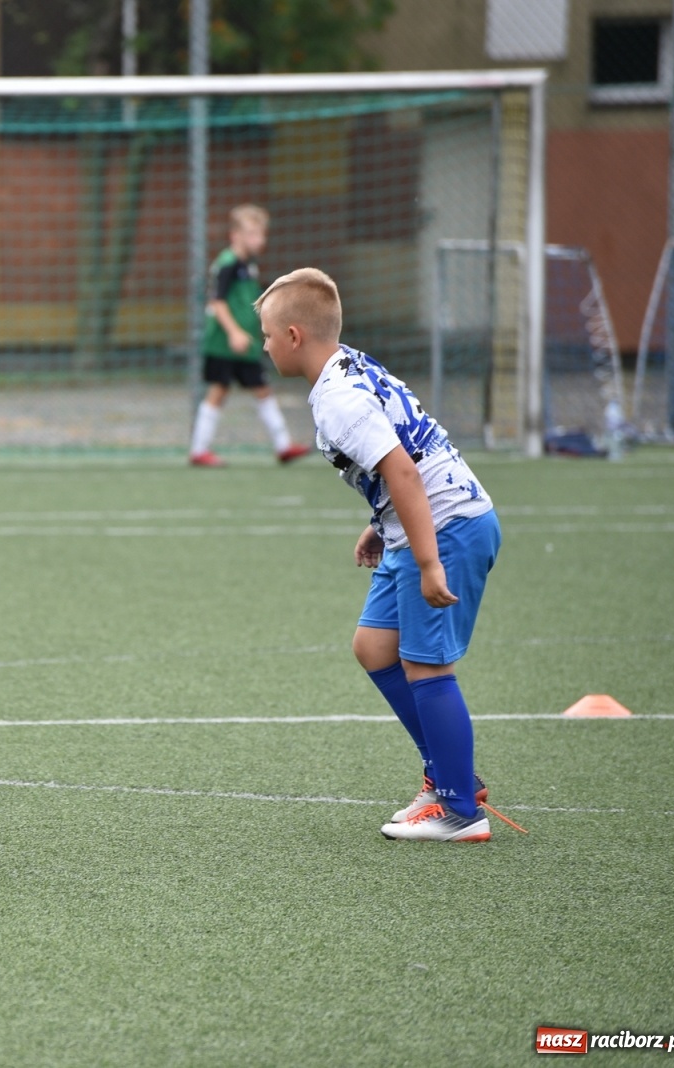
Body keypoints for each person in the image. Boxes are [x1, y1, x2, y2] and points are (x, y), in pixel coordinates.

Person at [257, 267, 500, 842]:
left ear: (293, 337)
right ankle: (448, 772)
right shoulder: (346, 365)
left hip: (445, 527)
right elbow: (397, 455)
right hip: (411, 526)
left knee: (425, 664)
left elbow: (404, 470)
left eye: (267, 334)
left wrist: (428, 562)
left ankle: (460, 809)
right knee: (373, 646)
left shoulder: (338, 400)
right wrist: (378, 522)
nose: (263, 345)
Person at [190, 204, 310, 467]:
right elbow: (217, 303)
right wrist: (234, 333)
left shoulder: (247, 266)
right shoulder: (228, 264)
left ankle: (283, 446)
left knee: (262, 388)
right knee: (219, 390)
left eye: (262, 234)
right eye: (254, 234)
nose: (260, 240)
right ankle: (199, 450)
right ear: (236, 236)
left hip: (245, 343)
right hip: (225, 343)